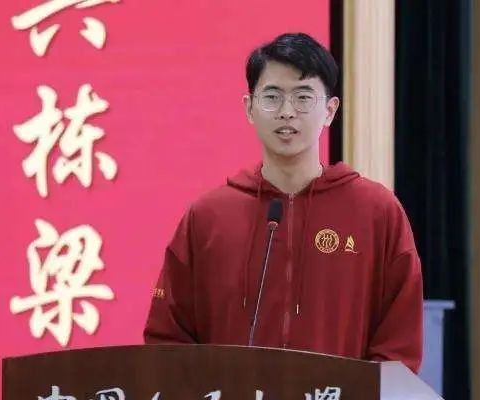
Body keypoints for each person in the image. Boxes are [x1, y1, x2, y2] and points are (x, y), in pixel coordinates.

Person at [143, 32, 423, 372]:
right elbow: (169, 338)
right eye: (272, 97)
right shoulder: (208, 217)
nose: (287, 112)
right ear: (249, 108)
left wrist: (357, 398)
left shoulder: (376, 212)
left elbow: (399, 341)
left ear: (330, 110)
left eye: (303, 97)